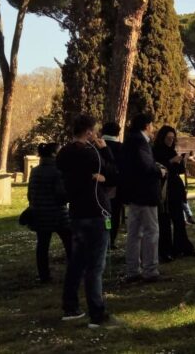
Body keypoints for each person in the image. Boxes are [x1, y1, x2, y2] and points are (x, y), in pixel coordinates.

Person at [56, 114, 117, 328]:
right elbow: (113, 171)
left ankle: (70, 306)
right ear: (89, 131)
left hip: (77, 212)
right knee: (95, 266)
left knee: (77, 263)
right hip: (96, 210)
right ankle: (97, 314)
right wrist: (103, 149)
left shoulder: (63, 153)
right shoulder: (91, 153)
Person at [122, 113, 165, 282]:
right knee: (151, 232)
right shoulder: (140, 142)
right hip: (145, 193)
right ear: (147, 125)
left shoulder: (128, 141)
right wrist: (159, 171)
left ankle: (132, 269)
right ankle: (150, 269)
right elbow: (145, 166)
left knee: (134, 233)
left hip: (132, 193)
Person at [153, 126, 195, 260]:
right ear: (163, 137)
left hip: (175, 188)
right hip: (165, 189)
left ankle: (182, 247)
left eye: (173, 138)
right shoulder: (156, 150)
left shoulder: (172, 150)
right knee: (165, 221)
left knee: (179, 220)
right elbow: (158, 167)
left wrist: (180, 162)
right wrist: (170, 161)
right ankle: (166, 250)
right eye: (168, 138)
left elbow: (179, 171)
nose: (171, 140)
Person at [27, 142, 71, 284]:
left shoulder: (35, 171)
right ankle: (74, 271)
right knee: (69, 243)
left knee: (42, 245)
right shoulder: (58, 171)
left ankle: (43, 275)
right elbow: (61, 193)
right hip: (58, 213)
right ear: (54, 154)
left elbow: (30, 194)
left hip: (40, 212)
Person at [100, 122, 124, 250]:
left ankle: (100, 237)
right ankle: (110, 239)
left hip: (98, 185)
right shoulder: (120, 147)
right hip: (115, 186)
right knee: (113, 214)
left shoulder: (95, 145)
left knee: (101, 214)